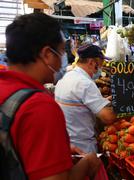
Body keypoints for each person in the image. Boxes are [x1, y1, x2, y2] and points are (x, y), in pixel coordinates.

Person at [0, 13, 101, 180]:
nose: (63, 59)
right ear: (47, 54)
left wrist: (57, 149)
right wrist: (88, 163)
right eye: (61, 52)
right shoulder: (39, 107)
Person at [55, 44, 117, 153]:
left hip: (68, 143)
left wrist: (105, 100)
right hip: (83, 147)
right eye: (100, 65)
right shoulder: (85, 84)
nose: (100, 69)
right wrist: (127, 110)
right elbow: (108, 118)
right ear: (92, 63)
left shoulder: (67, 77)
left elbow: (81, 103)